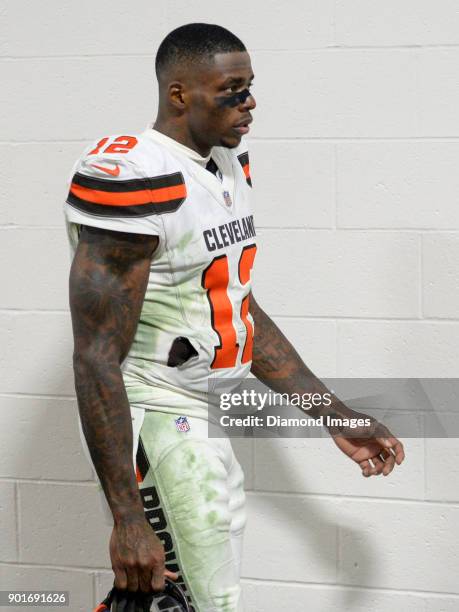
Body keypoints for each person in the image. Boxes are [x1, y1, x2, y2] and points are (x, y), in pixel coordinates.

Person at [64, 23, 405, 612]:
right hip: (158, 413)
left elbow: (237, 308)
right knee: (196, 601)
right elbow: (96, 353)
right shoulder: (133, 176)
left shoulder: (225, 164)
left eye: (250, 88)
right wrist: (126, 516)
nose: (249, 104)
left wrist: (334, 415)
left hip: (202, 410)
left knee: (187, 600)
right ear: (179, 95)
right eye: (232, 90)